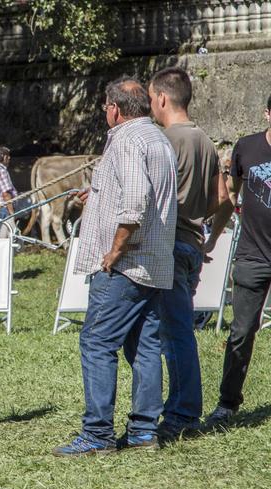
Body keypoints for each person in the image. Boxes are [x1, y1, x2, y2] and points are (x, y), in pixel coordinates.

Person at [53, 77, 177, 456]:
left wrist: (114, 251)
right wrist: (100, 191)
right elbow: (142, 189)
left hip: (126, 264)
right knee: (144, 346)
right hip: (153, 262)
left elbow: (137, 201)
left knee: (96, 342)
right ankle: (142, 432)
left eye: (105, 106)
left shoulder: (125, 140)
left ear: (114, 108)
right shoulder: (157, 138)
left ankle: (97, 434)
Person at [148, 67, 228, 439]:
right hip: (193, 245)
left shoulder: (165, 140)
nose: (151, 106)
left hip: (168, 246)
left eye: (151, 99)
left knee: (173, 334)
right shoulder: (206, 140)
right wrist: (208, 236)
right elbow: (225, 199)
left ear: (162, 99)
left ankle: (182, 416)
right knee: (174, 330)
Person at [202, 94, 271, 429]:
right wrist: (214, 237)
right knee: (242, 332)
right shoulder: (247, 147)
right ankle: (227, 404)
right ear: (266, 113)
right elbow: (230, 197)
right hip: (252, 255)